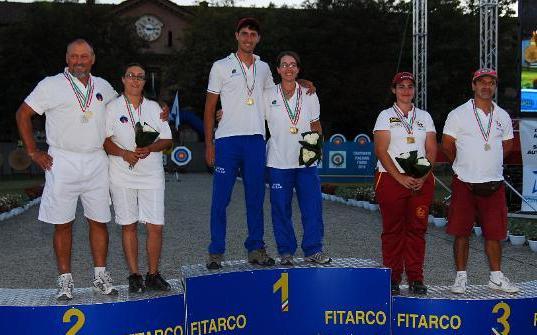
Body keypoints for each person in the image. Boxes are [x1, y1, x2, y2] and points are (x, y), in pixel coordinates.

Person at [15, 39, 118, 300]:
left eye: (84, 56)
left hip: (96, 160)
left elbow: (123, 113)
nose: (79, 61)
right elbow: (22, 114)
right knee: (63, 223)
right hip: (62, 160)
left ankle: (100, 276)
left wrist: (157, 113)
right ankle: (65, 281)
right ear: (67, 58)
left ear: (92, 59)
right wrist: (32, 151)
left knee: (99, 221)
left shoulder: (104, 86)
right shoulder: (51, 85)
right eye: (74, 56)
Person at [203, 17, 276, 269]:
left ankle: (255, 248)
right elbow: (210, 107)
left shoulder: (264, 68)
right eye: (244, 33)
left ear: (258, 39)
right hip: (226, 141)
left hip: (255, 139)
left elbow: (275, 98)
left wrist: (301, 84)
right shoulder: (221, 66)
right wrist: (209, 144)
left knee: (255, 197)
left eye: (252, 34)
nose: (248, 38)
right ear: (236, 36)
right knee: (220, 199)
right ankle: (215, 252)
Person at [442, 68, 519, 294]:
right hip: (464, 182)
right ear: (473, 85)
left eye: (491, 83)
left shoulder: (502, 115)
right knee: (460, 231)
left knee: (495, 233)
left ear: (494, 87)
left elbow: (507, 146)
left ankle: (495, 277)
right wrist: (464, 164)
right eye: (482, 82)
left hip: (493, 183)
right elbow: (447, 145)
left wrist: (489, 162)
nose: (486, 87)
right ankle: (460, 277)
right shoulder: (458, 114)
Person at [103, 63, 173, 292]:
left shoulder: (155, 108)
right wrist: (124, 153)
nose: (135, 80)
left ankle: (153, 274)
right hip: (122, 173)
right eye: (130, 76)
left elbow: (167, 140)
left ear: (145, 82)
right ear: (123, 79)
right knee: (128, 225)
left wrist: (150, 147)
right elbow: (104, 141)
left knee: (156, 226)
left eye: (140, 77)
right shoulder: (112, 108)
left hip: (151, 173)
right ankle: (134, 275)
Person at [373, 72, 437, 295]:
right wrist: (400, 178)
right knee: (393, 230)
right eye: (401, 86)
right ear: (393, 90)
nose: (406, 90)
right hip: (392, 178)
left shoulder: (425, 117)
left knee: (417, 230)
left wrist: (422, 176)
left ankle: (416, 278)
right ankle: (391, 278)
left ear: (414, 90)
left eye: (410, 86)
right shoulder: (385, 116)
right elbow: (381, 150)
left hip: (420, 179)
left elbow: (431, 149)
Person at [265, 51, 330, 265]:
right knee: (280, 209)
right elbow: (248, 112)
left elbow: (316, 124)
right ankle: (285, 252)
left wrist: (317, 149)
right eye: (284, 65)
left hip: (306, 160)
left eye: (293, 65)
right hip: (278, 159)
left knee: (312, 207)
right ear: (278, 70)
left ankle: (313, 250)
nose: (288, 68)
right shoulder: (267, 94)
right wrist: (224, 112)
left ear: (298, 69)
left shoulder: (309, 94)